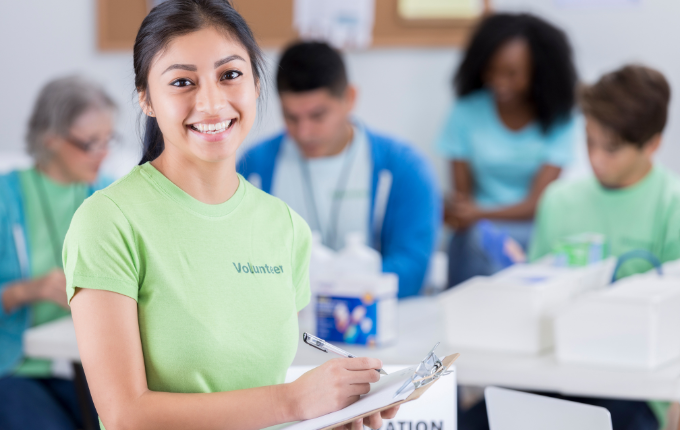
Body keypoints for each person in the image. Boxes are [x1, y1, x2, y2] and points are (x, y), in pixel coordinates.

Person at [63, 2, 399, 429]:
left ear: (256, 82)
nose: (210, 102)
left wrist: (331, 413)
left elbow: (256, 394)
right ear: (146, 99)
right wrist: (294, 402)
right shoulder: (108, 222)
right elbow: (126, 413)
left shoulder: (285, 227)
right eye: (182, 81)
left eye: (230, 75)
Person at [528, 64, 680, 430]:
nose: (596, 158)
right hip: (555, 377)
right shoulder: (559, 200)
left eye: (611, 149)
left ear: (652, 144)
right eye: (589, 141)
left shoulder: (671, 204)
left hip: (634, 389)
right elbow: (535, 302)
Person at [237, 41, 441, 299]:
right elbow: (236, 262)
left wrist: (326, 286)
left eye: (317, 116)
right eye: (291, 117)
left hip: (376, 323)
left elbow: (411, 271)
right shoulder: (252, 168)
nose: (304, 132)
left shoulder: (404, 169)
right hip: (286, 324)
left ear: (349, 99)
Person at [0, 75, 116, 429]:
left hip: (94, 367)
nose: (102, 154)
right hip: (17, 367)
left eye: (108, 141)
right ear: (50, 139)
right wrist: (26, 291)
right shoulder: (6, 198)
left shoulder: (111, 196)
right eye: (89, 143)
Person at [436, 13, 580, 288]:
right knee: (474, 240)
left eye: (512, 73)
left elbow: (538, 203)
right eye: (491, 70)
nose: (499, 82)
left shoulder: (560, 120)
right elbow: (462, 200)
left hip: (534, 230)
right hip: (477, 234)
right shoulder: (465, 113)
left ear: (538, 71)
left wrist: (478, 213)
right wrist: (458, 211)